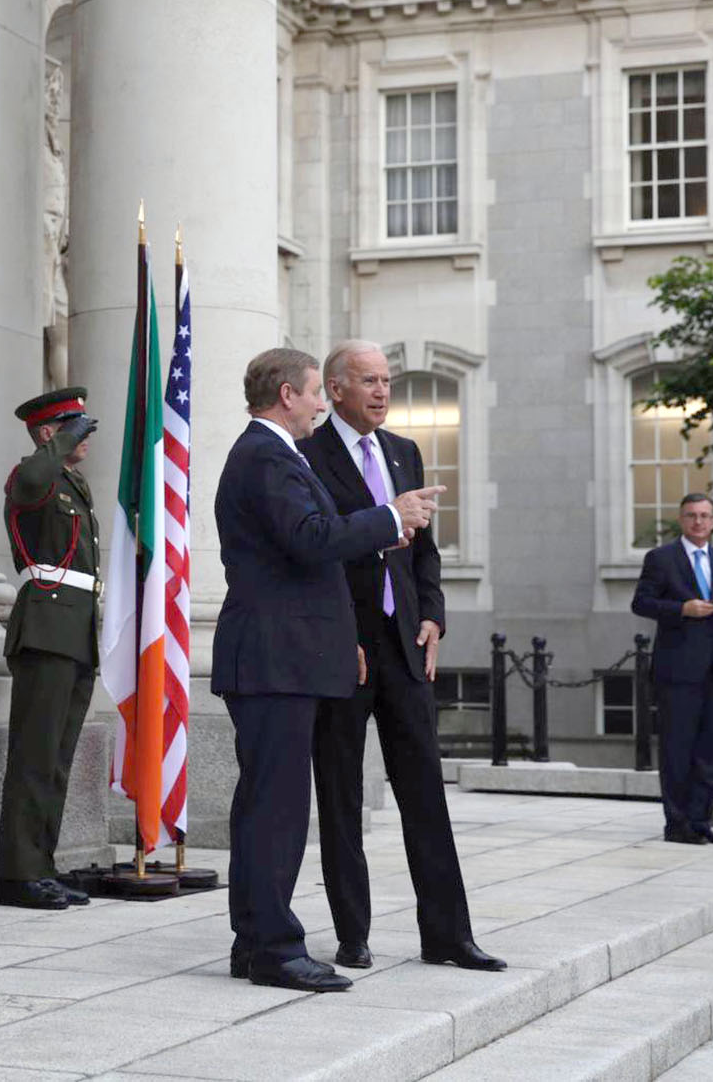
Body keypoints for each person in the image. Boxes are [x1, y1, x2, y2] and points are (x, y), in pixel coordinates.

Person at [212, 348, 440, 993]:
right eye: (316, 393)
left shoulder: (275, 454)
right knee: (274, 810)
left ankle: (258, 942)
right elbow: (314, 539)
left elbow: (311, 551)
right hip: (272, 660)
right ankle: (273, 949)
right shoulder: (265, 454)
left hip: (288, 658)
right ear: (288, 394)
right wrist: (393, 517)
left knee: (274, 806)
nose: (321, 404)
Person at [301, 341, 502, 973]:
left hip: (406, 646)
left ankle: (447, 935)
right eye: (369, 381)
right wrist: (337, 637)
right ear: (335, 390)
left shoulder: (403, 452)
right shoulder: (306, 456)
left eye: (387, 381)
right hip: (346, 651)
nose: (383, 391)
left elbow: (425, 553)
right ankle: (352, 933)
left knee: (425, 794)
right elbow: (316, 557)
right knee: (340, 795)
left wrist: (434, 613)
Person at [0, 387, 101, 910]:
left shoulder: (70, 482)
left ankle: (42, 864)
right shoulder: (32, 476)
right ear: (46, 433)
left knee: (57, 757)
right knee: (35, 756)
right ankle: (18, 873)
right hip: (46, 625)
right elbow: (32, 481)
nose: (83, 436)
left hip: (74, 626)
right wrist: (57, 447)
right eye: (69, 426)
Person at [631, 492, 713, 845]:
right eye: (692, 515)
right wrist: (682, 609)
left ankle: (701, 820)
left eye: (705, 516)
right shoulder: (661, 558)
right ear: (682, 520)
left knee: (710, 752)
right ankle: (676, 823)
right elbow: (641, 602)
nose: (699, 522)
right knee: (677, 750)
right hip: (677, 670)